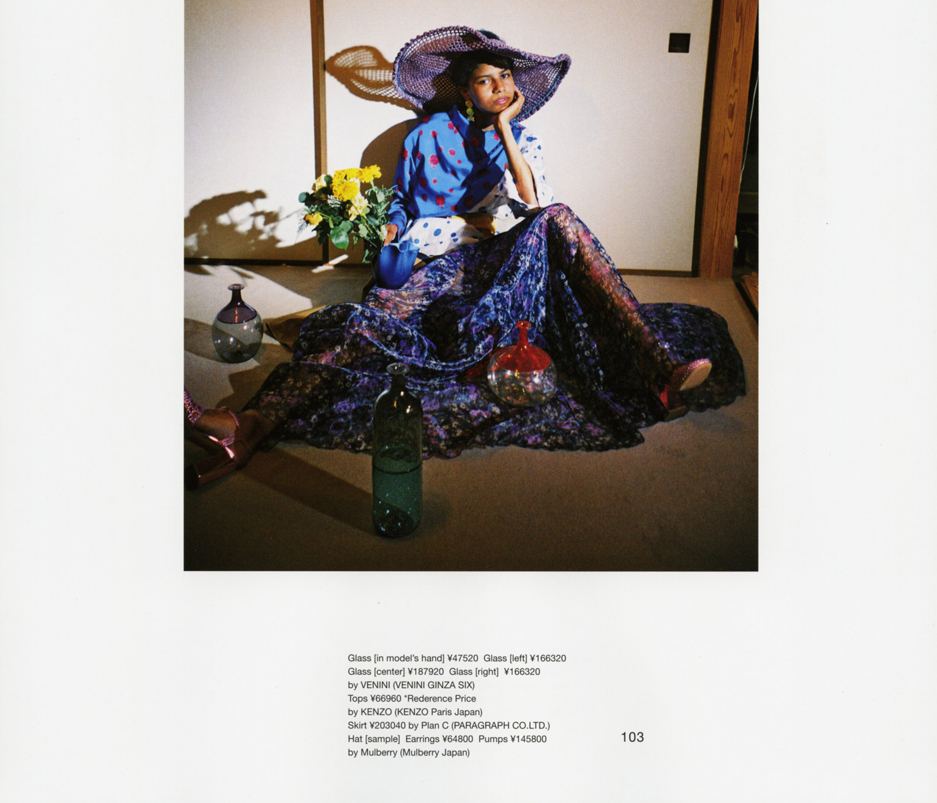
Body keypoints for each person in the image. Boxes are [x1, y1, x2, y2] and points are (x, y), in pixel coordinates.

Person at [185, 26, 745, 486]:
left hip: (507, 262)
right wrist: (391, 232)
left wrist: (506, 130)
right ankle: (249, 424)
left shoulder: (523, 138)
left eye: (506, 78)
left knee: (559, 217)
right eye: (485, 80)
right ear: (464, 90)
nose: (500, 87)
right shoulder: (423, 137)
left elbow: (534, 204)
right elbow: (402, 202)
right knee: (364, 329)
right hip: (439, 262)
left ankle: (658, 362)